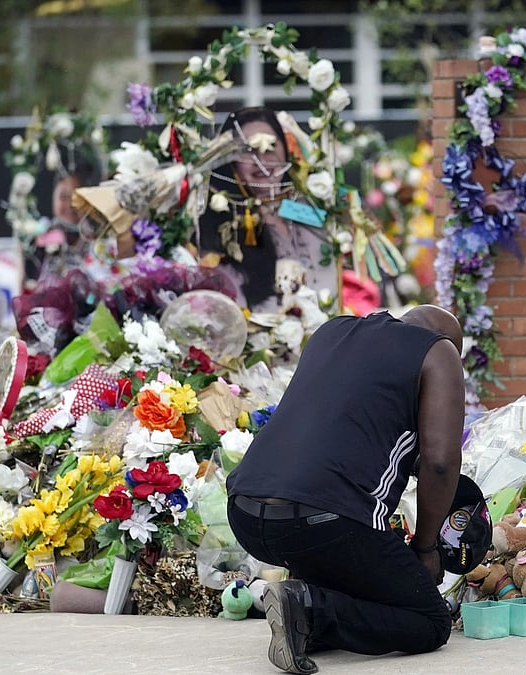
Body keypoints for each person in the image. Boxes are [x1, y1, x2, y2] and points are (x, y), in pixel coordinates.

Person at [226, 305, 464, 674]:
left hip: (245, 509)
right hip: (325, 520)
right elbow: (441, 462)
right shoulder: (438, 350)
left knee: (346, 569)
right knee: (429, 621)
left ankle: (301, 612)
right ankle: (308, 608)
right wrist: (426, 547)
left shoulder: (332, 331)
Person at [198, 107, 336, 313]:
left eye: (271, 146)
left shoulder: (309, 207)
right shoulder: (221, 221)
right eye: (249, 149)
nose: (262, 160)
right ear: (230, 160)